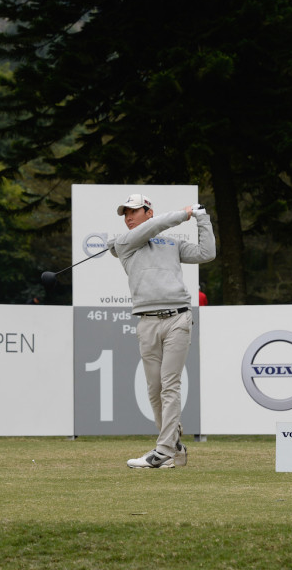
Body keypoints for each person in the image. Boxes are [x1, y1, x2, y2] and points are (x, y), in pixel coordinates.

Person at [108, 193, 216, 468]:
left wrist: (202, 218)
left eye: (133, 211)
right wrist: (184, 212)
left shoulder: (171, 242)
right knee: (155, 389)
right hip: (147, 322)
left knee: (170, 385)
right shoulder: (124, 243)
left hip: (178, 318)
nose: (128, 217)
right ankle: (175, 448)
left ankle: (164, 450)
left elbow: (207, 253)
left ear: (148, 211)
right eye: (125, 213)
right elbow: (153, 228)